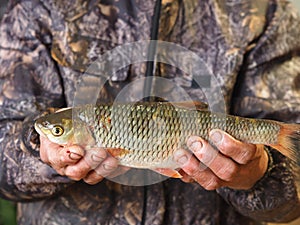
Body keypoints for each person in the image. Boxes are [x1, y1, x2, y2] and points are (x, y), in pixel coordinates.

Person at [0, 0, 300, 224]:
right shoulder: (35, 6)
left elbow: (293, 200)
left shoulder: (266, 9)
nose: (52, 133)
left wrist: (258, 174)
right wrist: (37, 149)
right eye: (57, 131)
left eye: (57, 131)